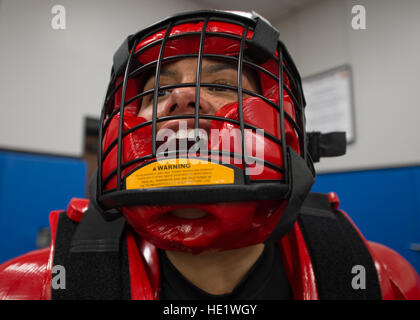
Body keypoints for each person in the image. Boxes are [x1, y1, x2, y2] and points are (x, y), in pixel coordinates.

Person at [0, 10, 419, 300]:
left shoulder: (379, 278)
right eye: (157, 92)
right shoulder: (30, 287)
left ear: (285, 129)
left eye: (221, 85)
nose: (181, 97)